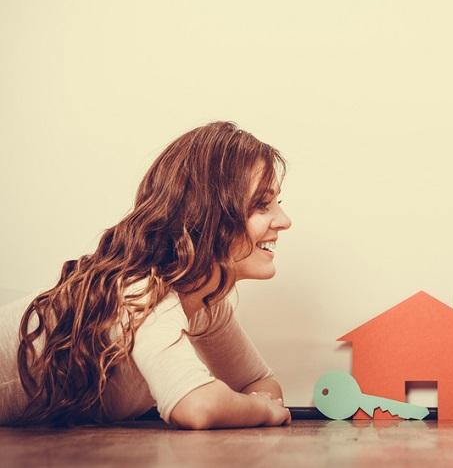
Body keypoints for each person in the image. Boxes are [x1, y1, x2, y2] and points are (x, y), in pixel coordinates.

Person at [0, 121, 293, 429]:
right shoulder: (144, 293)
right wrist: (262, 409)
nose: (285, 221)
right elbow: (198, 406)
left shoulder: (206, 302)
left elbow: (260, 382)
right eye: (262, 205)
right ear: (207, 216)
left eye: (278, 203)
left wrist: (258, 404)